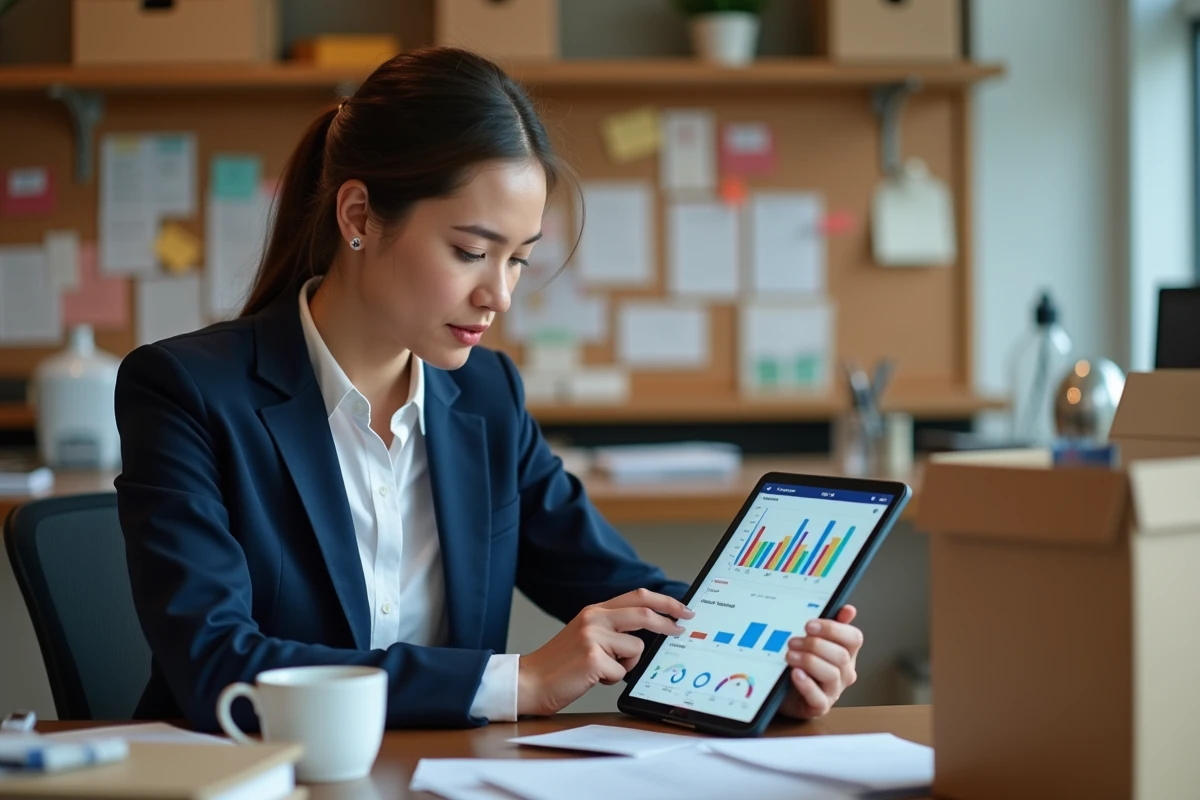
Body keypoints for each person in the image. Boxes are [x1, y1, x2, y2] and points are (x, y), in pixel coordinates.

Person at [114, 47, 863, 731]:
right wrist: (518, 681)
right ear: (358, 217)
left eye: (518, 261)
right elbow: (218, 665)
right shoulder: (187, 392)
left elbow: (620, 590)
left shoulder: (486, 398)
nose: (498, 296)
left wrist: (767, 664)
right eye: (471, 251)